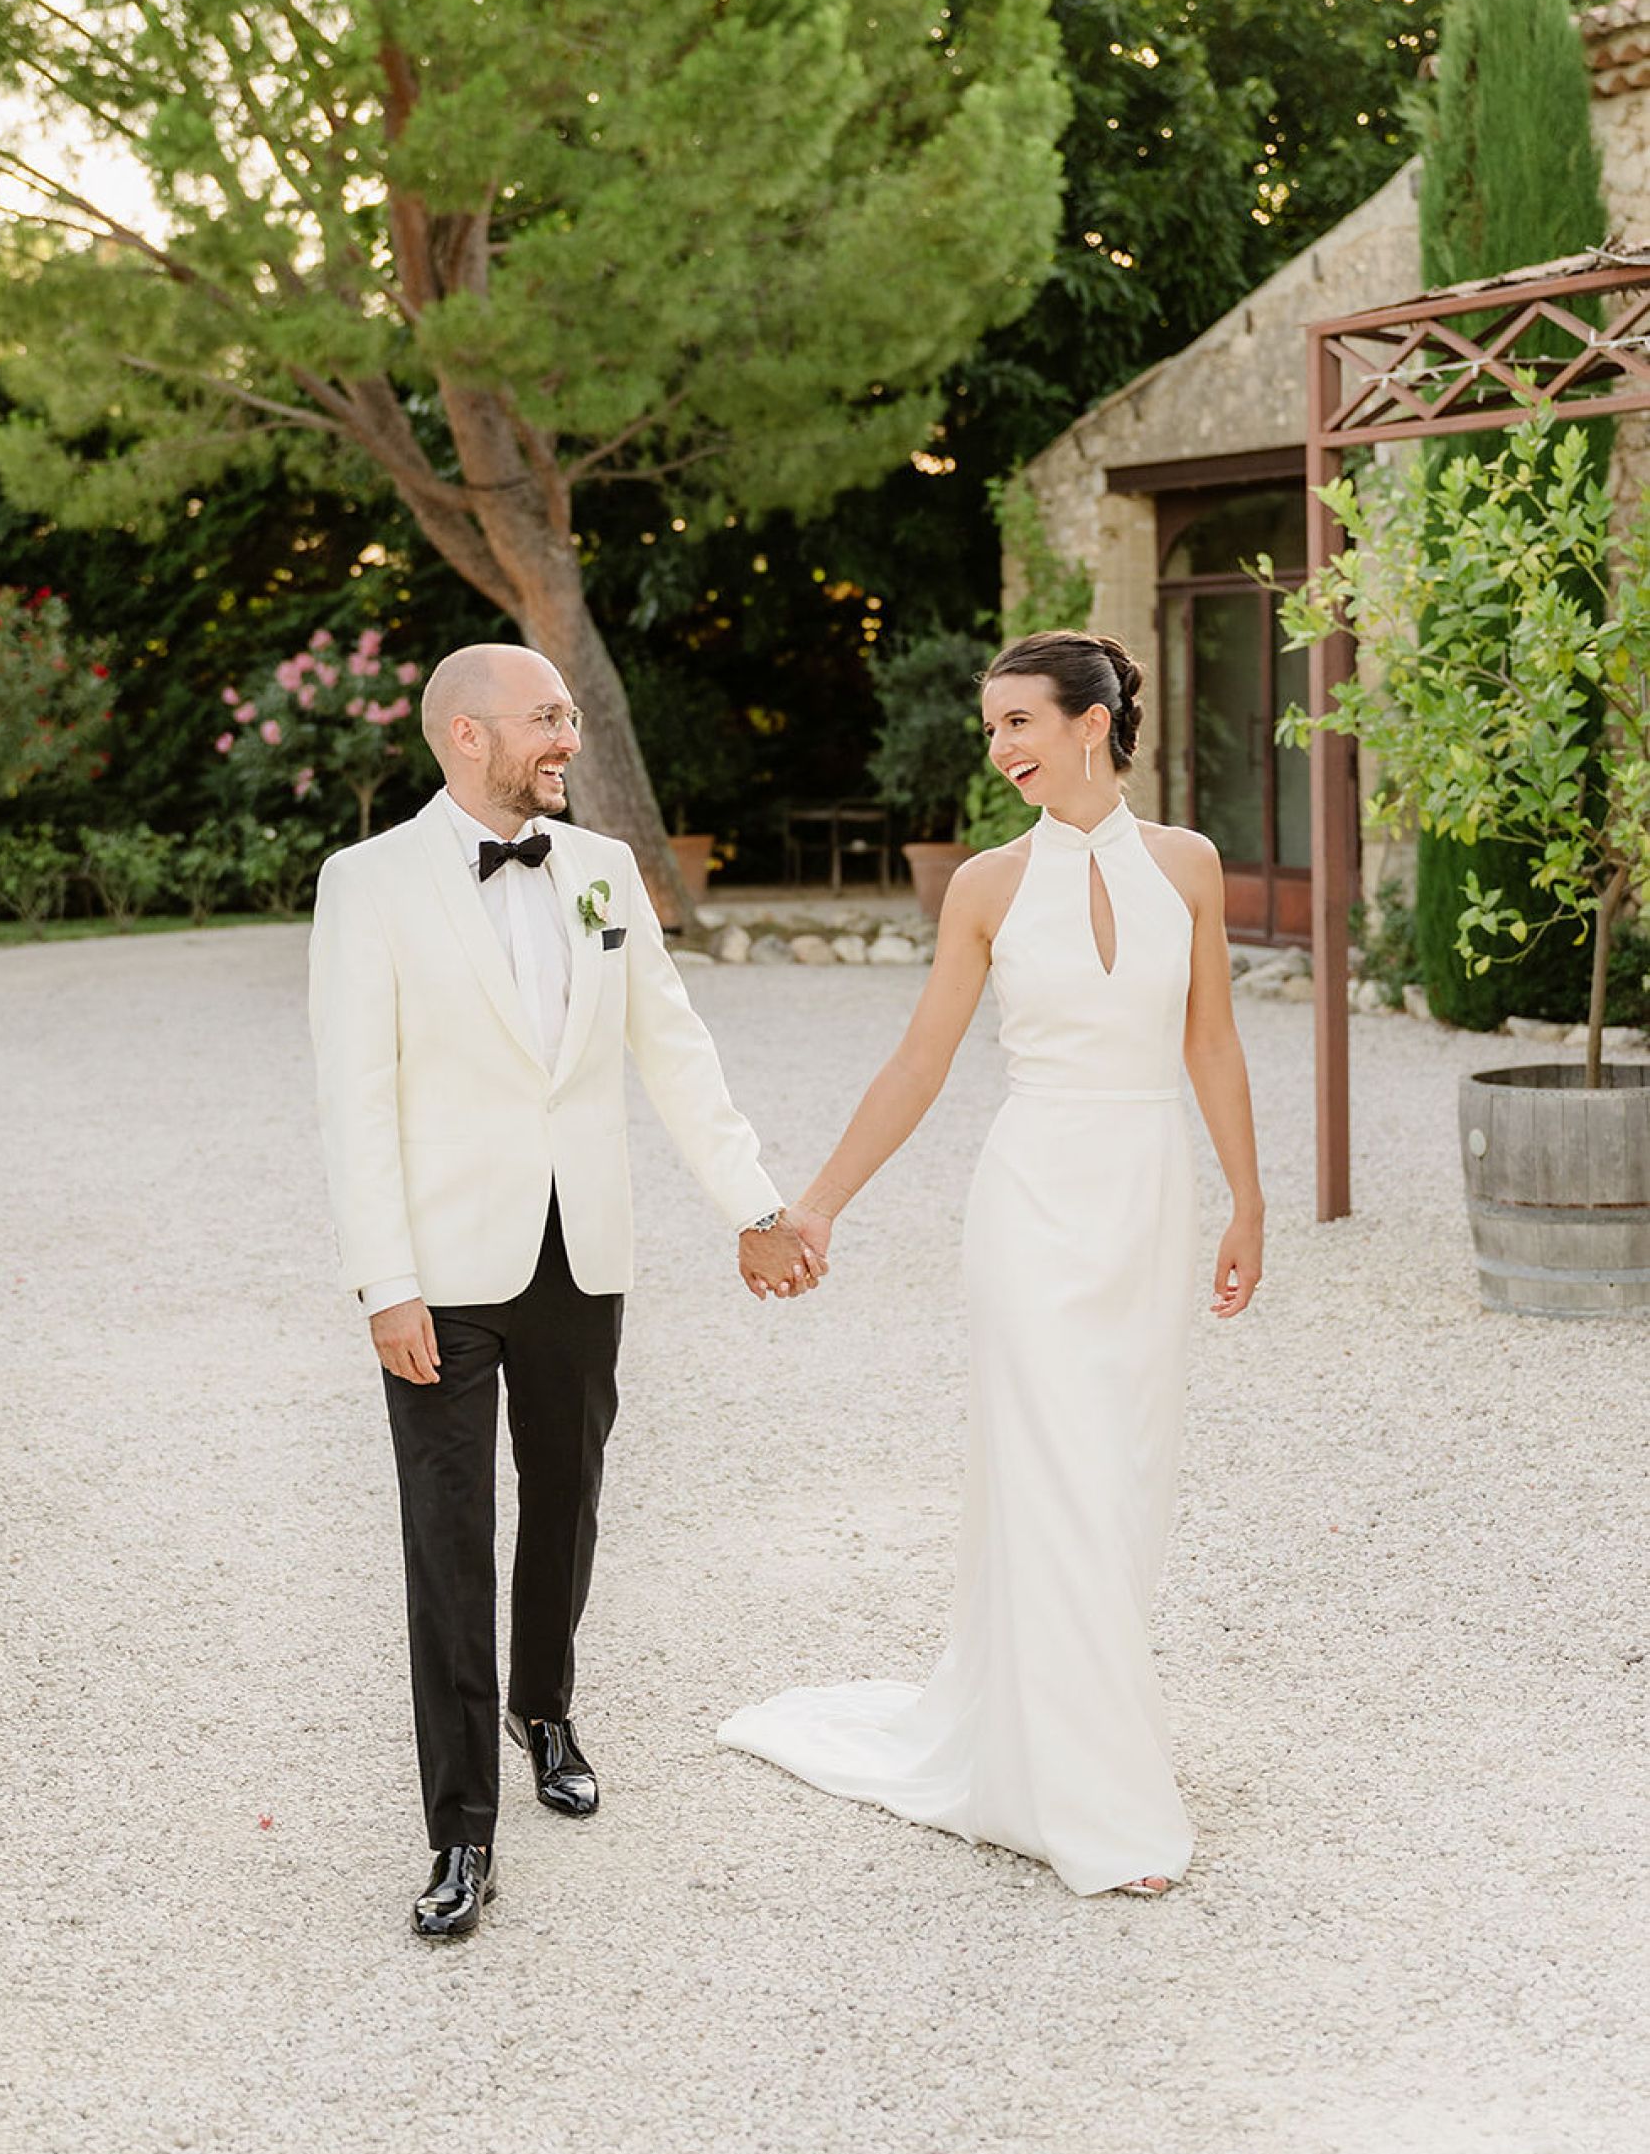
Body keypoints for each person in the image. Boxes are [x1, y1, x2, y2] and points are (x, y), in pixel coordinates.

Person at [721, 630, 1262, 1898]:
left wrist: (1249, 1201)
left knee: (1122, 1478)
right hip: (1031, 1201)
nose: (1000, 748)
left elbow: (1217, 1043)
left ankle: (1071, 1732)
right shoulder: (984, 886)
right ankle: (1100, 1807)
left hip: (1149, 1194)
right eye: (990, 728)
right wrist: (817, 1203)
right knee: (1056, 1470)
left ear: (1092, 721)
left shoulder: (1189, 866)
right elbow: (920, 1064)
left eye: (1018, 722)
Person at [310, 642, 824, 1942]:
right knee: (445, 1533)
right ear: (466, 735)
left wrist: (754, 1202)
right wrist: (386, 1280)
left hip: (580, 1256)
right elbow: (354, 1099)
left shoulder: (600, 871)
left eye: (570, 713)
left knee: (570, 1502)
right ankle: (462, 1831)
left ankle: (547, 1700)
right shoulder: (367, 884)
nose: (569, 734)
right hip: (440, 1272)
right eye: (547, 716)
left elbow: (676, 1050)